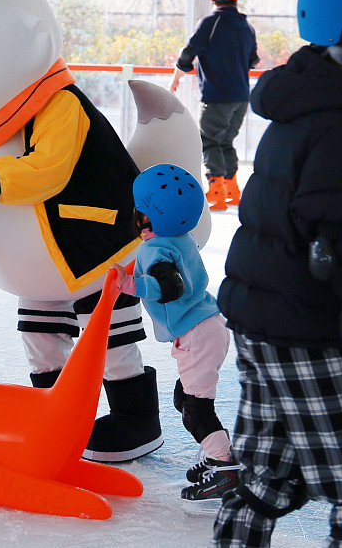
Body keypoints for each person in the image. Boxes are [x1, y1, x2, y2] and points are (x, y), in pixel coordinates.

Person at [214, 0, 342, 547]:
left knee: (266, 478)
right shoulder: (339, 129)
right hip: (306, 329)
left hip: (263, 319)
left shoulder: (302, 107)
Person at [109, 163, 237, 509]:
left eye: (139, 211)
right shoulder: (179, 238)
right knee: (185, 399)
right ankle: (219, 455)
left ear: (148, 219)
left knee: (195, 410)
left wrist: (130, 284)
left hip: (196, 334)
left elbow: (169, 285)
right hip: (208, 325)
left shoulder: (157, 250)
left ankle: (226, 468)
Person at [170, 0, 259, 211]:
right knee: (225, 141)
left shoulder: (210, 23)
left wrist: (178, 74)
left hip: (217, 96)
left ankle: (216, 190)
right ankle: (233, 189)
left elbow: (188, 52)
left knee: (209, 141)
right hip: (241, 97)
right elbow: (253, 60)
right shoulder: (247, 27)